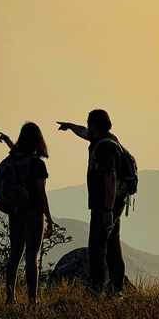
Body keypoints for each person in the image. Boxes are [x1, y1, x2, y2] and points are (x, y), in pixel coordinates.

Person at [57, 109, 126, 298]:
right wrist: (70, 126)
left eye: (88, 124)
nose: (87, 128)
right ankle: (115, 290)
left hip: (105, 205)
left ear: (94, 125)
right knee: (112, 245)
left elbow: (110, 178)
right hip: (112, 204)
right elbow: (84, 133)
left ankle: (96, 291)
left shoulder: (104, 148)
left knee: (97, 246)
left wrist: (107, 210)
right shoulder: (107, 139)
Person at [0, 122, 55, 305]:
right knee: (32, 256)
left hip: (15, 213)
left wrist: (8, 141)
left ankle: (10, 297)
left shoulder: (12, 159)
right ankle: (32, 301)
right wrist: (50, 218)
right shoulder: (37, 164)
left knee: (15, 254)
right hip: (34, 214)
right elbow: (41, 193)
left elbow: (17, 157)